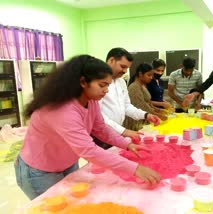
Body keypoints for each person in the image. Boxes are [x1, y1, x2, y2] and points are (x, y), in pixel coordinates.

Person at [14, 55, 161, 200]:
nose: (106, 91)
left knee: (73, 203)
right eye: (102, 85)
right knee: (55, 208)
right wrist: (135, 169)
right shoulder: (61, 109)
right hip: (40, 170)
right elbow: (88, 150)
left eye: (108, 85)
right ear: (83, 82)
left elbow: (100, 129)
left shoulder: (91, 101)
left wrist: (126, 144)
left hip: (67, 162)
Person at [99, 48, 160, 140]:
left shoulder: (121, 82)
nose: (125, 71)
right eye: (123, 66)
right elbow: (97, 115)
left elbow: (127, 106)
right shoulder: (96, 82)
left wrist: (145, 115)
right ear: (111, 60)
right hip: (101, 133)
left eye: (127, 68)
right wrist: (123, 131)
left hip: (117, 133)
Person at [124, 63, 168, 131]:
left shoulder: (143, 85)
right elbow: (142, 106)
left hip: (146, 118)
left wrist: (160, 110)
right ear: (140, 74)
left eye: (151, 75)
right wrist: (158, 115)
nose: (151, 77)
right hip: (137, 122)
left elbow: (148, 103)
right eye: (149, 75)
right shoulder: (134, 87)